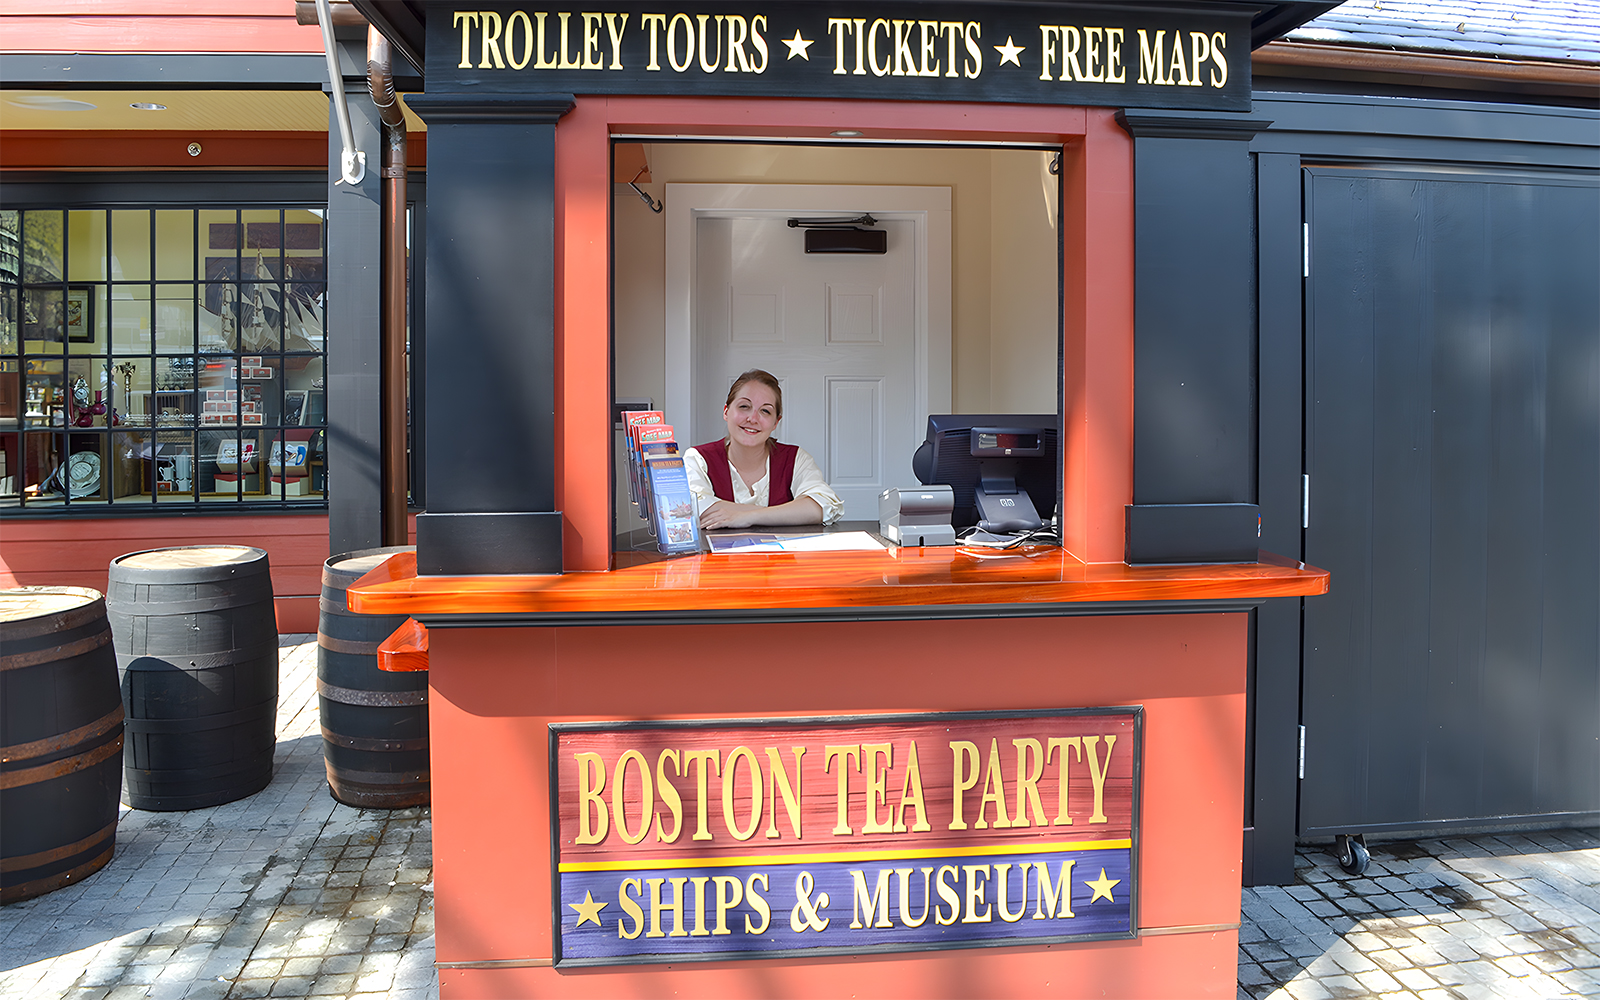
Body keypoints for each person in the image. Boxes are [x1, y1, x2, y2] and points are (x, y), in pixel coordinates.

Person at [684, 369, 843, 529]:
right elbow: (695, 508)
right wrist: (787, 513)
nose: (752, 418)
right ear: (726, 411)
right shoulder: (698, 459)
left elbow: (823, 505)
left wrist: (748, 517)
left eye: (765, 411)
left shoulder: (795, 459)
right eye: (744, 406)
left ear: (775, 422)